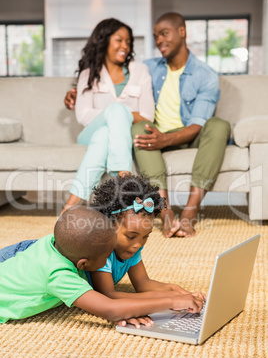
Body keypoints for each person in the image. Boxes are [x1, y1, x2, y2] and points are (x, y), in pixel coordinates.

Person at [64, 13, 231, 238]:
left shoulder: (200, 75)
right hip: (124, 132)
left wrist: (132, 121)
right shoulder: (144, 67)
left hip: (180, 134)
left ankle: (189, 214)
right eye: (155, 37)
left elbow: (166, 119)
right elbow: (88, 109)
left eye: (164, 34)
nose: (159, 41)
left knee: (219, 125)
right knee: (126, 120)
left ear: (182, 32)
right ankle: (156, 205)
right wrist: (78, 96)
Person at [0, 205, 204, 326]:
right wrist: (171, 301)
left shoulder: (59, 242)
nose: (109, 260)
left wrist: (128, 309)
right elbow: (111, 308)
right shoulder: (59, 275)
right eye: (106, 256)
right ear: (84, 264)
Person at [62, 18, 155, 213]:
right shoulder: (88, 74)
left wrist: (116, 120)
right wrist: (117, 114)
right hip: (88, 135)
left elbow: (147, 116)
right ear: (104, 41)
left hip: (110, 138)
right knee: (116, 110)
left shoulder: (140, 71)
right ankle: (125, 182)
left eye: (128, 42)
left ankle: (70, 207)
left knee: (105, 134)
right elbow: (83, 115)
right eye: (119, 40)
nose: (125, 46)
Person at [88, 175, 206, 302]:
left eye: (145, 236)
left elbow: (142, 283)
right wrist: (171, 298)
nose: (138, 244)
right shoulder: (100, 250)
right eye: (131, 236)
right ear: (108, 225)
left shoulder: (131, 247)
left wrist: (175, 289)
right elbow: (109, 295)